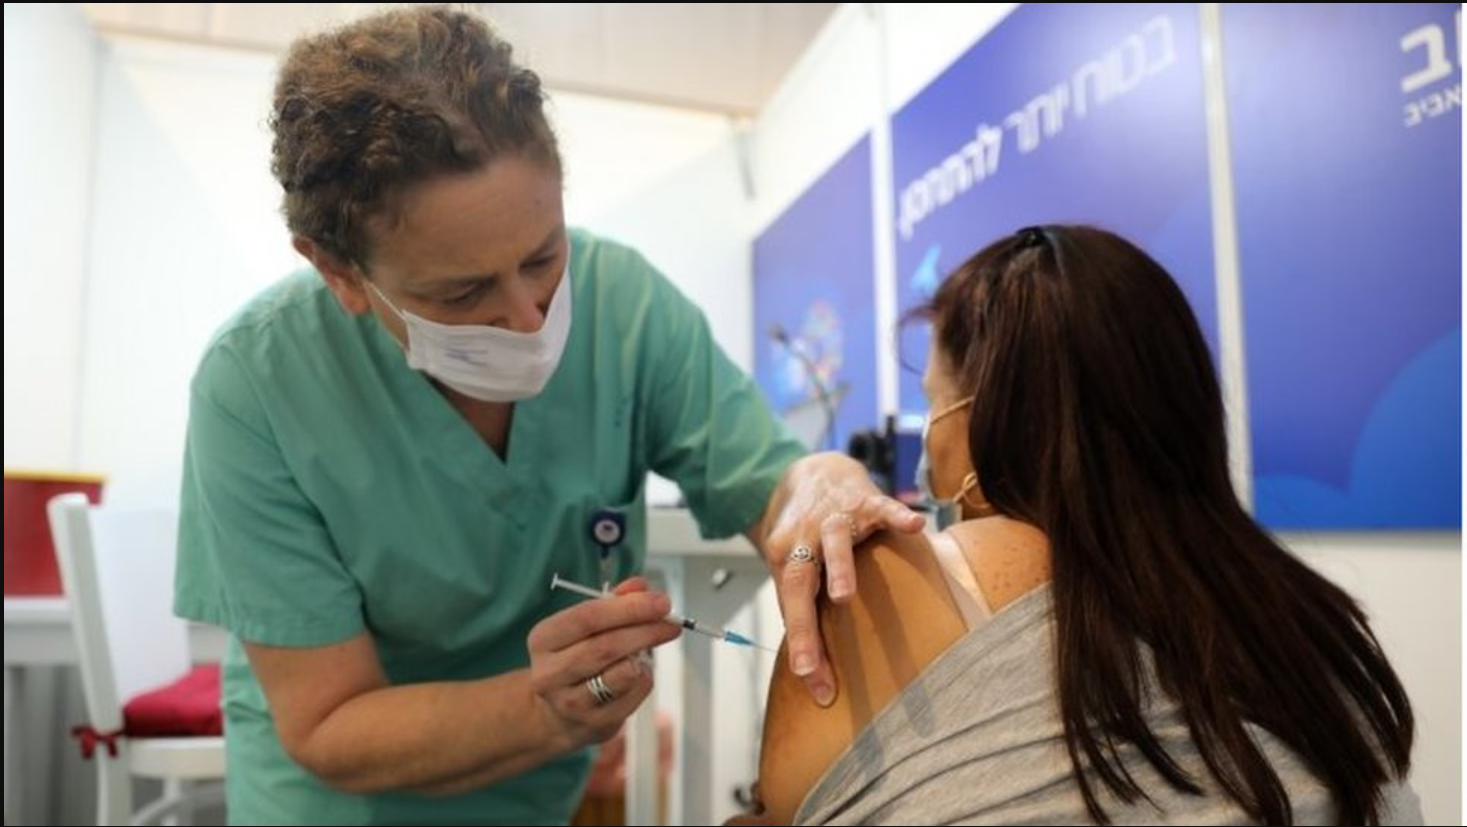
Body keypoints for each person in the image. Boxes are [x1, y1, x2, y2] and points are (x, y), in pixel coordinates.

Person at [172, 6, 922, 824]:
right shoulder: (256, 385)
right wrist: (545, 710)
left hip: (543, 792)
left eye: (542, 258)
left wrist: (823, 488)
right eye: (462, 292)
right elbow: (326, 722)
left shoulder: (623, 305)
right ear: (339, 272)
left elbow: (772, 481)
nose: (528, 318)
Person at [742, 225, 1421, 825]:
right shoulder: (1309, 623)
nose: (929, 443)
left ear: (978, 413)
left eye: (932, 402)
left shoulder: (880, 585)